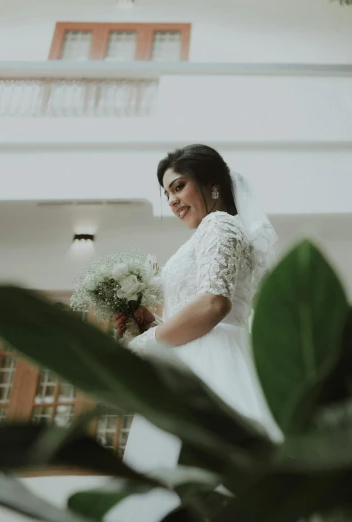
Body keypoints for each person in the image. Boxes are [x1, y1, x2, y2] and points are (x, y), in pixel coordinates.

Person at [105, 144, 281, 522]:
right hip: (197, 356)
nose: (172, 200)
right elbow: (194, 310)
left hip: (214, 365)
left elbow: (215, 305)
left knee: (201, 486)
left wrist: (145, 342)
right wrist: (145, 319)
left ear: (212, 184)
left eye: (179, 186)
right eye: (167, 193)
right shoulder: (206, 233)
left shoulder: (218, 224)